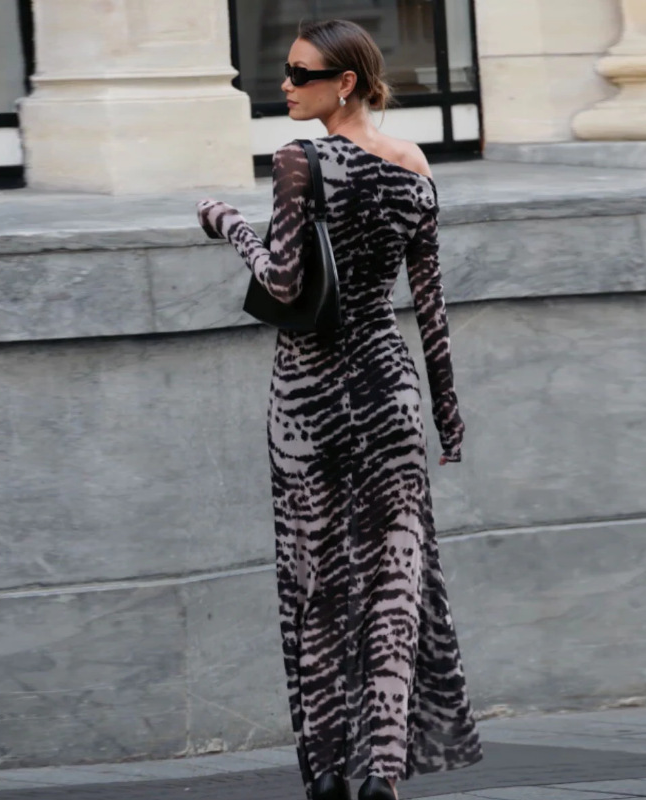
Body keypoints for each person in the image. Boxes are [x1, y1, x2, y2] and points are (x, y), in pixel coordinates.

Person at [196, 18, 481, 800]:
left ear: (345, 82)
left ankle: (329, 774)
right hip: (390, 391)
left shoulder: (300, 160)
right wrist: (448, 416)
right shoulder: (414, 164)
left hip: (309, 397)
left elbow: (284, 284)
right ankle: (381, 773)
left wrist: (228, 224)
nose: (284, 85)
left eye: (300, 74)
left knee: (318, 584)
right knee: (395, 586)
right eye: (287, 71)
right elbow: (431, 307)